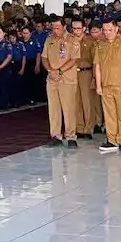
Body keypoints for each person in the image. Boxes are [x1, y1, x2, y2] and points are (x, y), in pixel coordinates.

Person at [94, 19, 121, 155]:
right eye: (104, 30)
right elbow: (97, 66)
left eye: (110, 30)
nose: (107, 33)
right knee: (109, 114)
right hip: (106, 85)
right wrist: (98, 85)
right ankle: (112, 140)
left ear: (117, 29)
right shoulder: (100, 44)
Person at [42, 16, 80, 147]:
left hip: (67, 78)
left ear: (64, 26)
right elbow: (44, 57)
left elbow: (74, 59)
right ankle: (56, 135)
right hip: (52, 78)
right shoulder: (49, 39)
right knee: (53, 108)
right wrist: (50, 70)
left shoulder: (73, 39)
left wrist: (59, 71)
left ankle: (71, 136)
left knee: (69, 108)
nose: (55, 30)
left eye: (58, 28)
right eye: (53, 28)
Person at [74, 19, 98, 139]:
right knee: (76, 101)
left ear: (84, 28)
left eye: (78, 28)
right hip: (73, 73)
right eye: (74, 28)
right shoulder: (70, 41)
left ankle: (89, 128)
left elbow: (95, 61)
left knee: (87, 101)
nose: (76, 31)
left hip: (86, 72)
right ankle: (79, 127)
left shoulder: (90, 41)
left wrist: (94, 76)